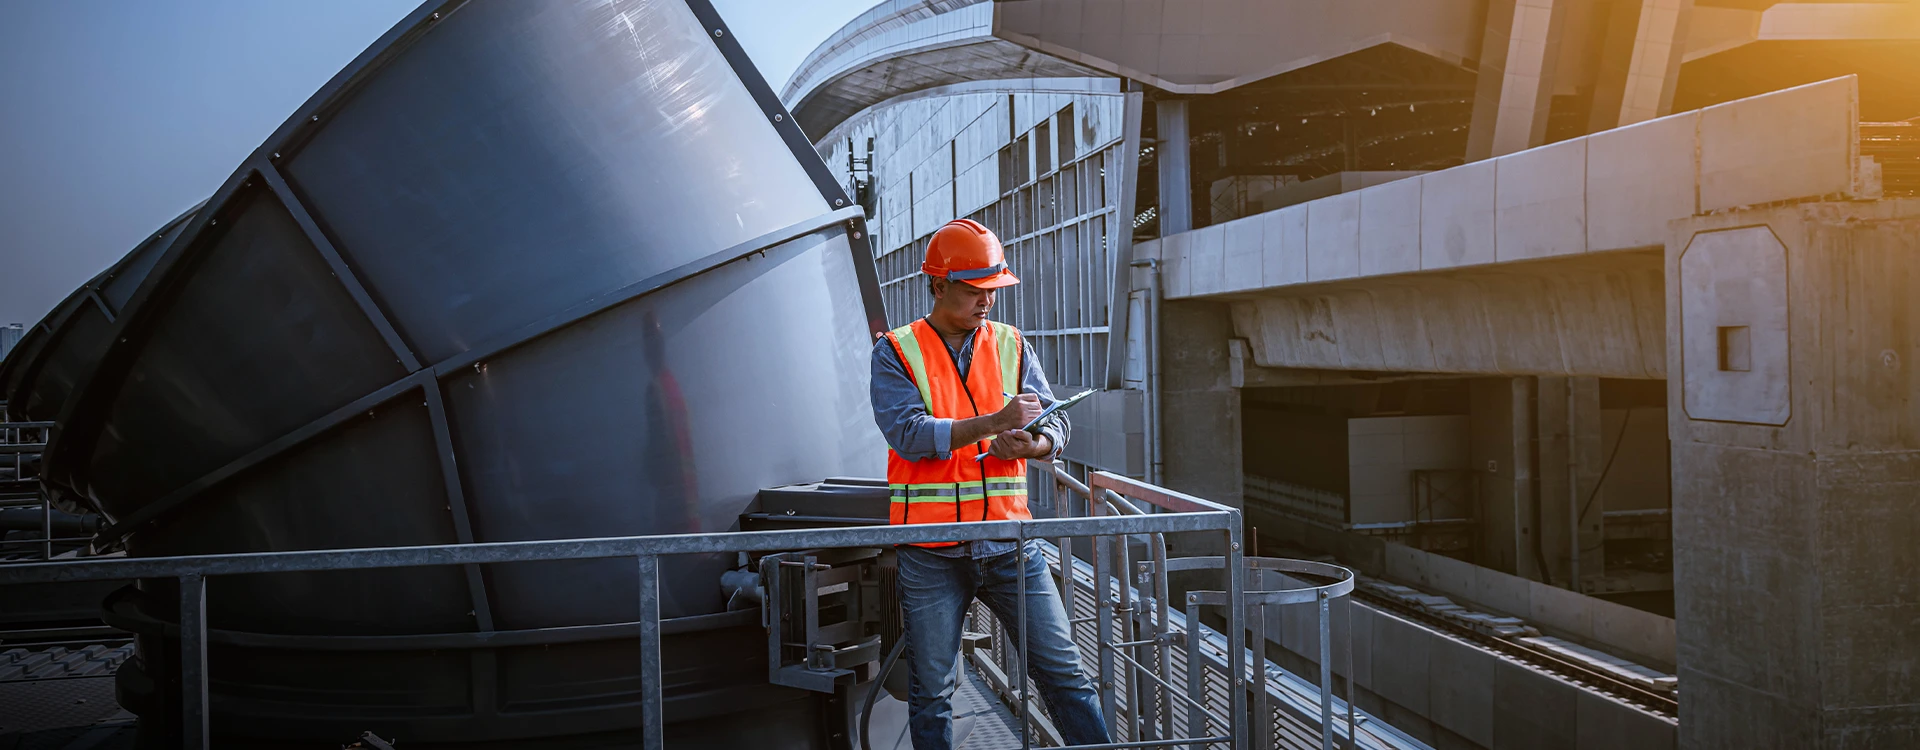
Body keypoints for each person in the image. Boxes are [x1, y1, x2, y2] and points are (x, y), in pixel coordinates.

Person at [870, 219, 1110, 749]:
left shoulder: (1011, 344)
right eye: (977, 291)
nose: (988, 302)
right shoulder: (896, 351)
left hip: (1009, 543)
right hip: (930, 550)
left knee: (1066, 676)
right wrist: (994, 424)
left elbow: (1053, 420)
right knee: (930, 692)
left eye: (994, 291)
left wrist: (1038, 444)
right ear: (938, 286)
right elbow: (907, 435)